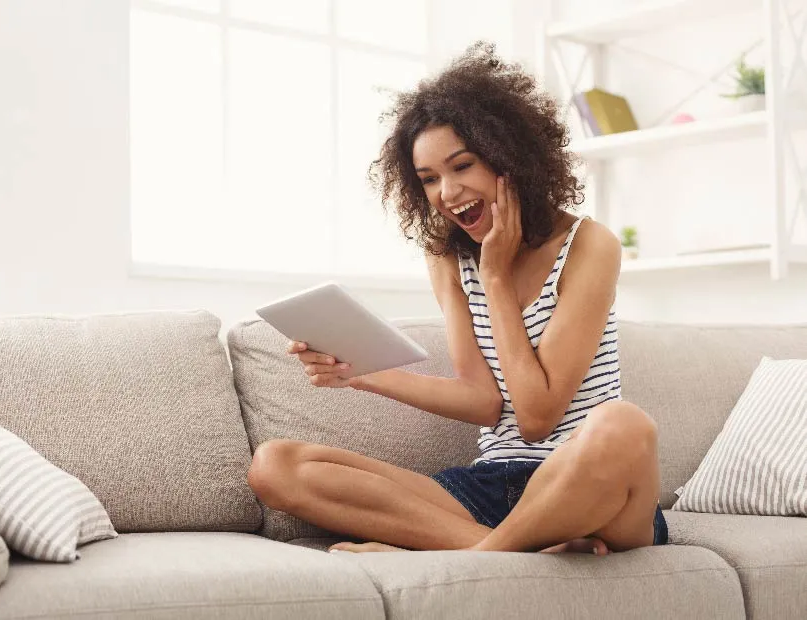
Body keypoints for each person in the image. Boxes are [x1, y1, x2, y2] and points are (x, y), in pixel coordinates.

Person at [246, 41, 668, 555]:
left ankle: (476, 557)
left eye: (462, 166)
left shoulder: (587, 245)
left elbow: (537, 417)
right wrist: (360, 373)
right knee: (276, 465)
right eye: (429, 179)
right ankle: (517, 551)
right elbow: (486, 401)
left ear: (508, 157)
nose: (447, 193)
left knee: (623, 425)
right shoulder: (449, 258)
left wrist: (495, 280)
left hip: (587, 486)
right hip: (492, 487)